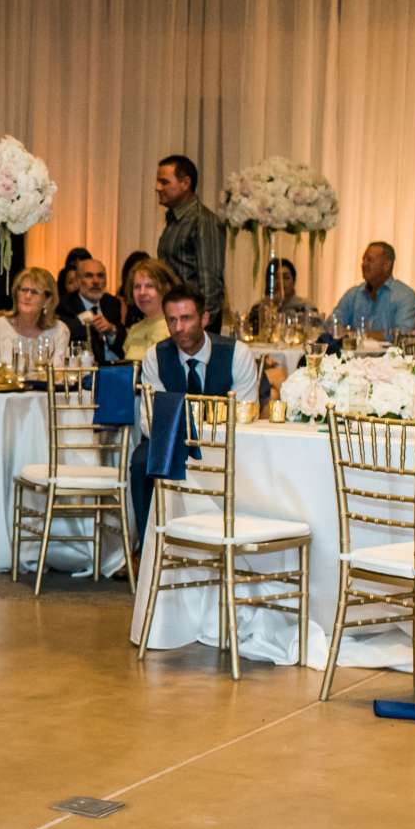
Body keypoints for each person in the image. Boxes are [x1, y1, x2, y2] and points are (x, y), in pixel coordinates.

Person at [132, 285, 258, 540]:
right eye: (172, 320)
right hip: (171, 442)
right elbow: (150, 421)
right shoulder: (155, 357)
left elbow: (246, 412)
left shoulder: (237, 354)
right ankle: (149, 547)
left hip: (225, 442)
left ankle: (234, 538)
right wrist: (183, 437)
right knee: (141, 460)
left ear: (205, 318)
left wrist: (208, 436)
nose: (179, 328)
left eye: (186, 318)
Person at [154, 154, 225, 327]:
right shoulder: (174, 220)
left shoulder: (203, 220)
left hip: (193, 328)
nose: (157, 188)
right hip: (176, 320)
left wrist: (200, 326)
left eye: (164, 182)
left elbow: (211, 283)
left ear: (185, 183)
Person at [330, 241, 415, 335]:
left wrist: (358, 335)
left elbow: (404, 334)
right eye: (363, 260)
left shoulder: (405, 296)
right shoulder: (353, 294)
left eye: (369, 260)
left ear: (387, 265)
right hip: (353, 350)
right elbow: (332, 324)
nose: (364, 264)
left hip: (389, 350)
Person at [0, 267, 70, 367]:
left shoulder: (59, 330)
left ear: (47, 300)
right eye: (24, 290)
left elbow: (57, 375)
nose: (27, 296)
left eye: (34, 292)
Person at [57, 254, 129, 365]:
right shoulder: (65, 304)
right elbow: (66, 332)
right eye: (89, 276)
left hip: (115, 365)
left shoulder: (112, 303)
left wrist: (111, 330)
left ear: (106, 280)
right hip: (85, 369)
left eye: (100, 276)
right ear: (78, 281)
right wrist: (87, 320)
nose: (95, 281)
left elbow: (123, 339)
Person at [123, 257, 180, 360]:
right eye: (137, 287)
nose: (142, 292)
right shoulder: (134, 330)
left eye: (149, 286)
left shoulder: (177, 327)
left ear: (165, 288)